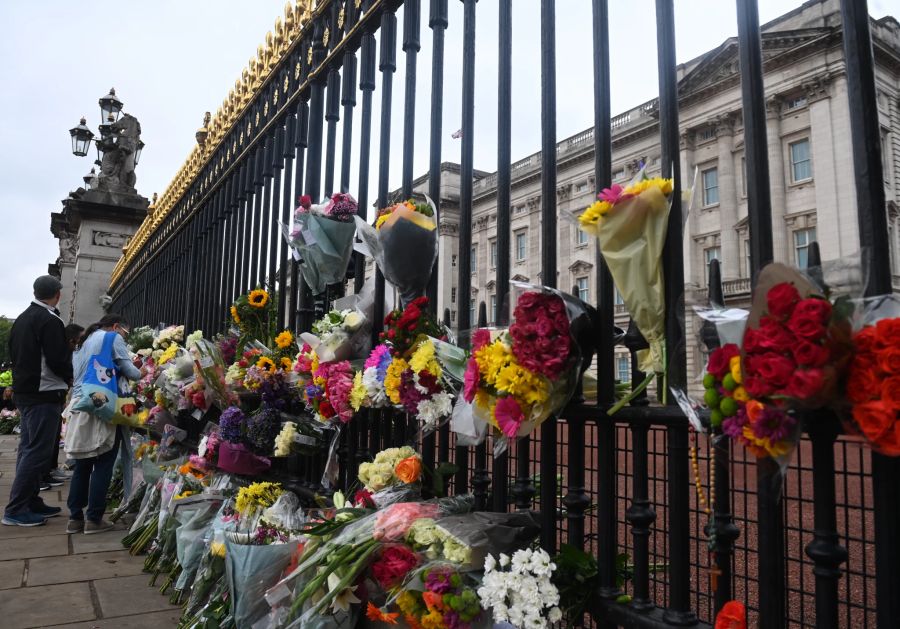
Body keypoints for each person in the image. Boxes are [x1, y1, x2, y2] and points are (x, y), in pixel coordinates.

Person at [2, 276, 72, 527]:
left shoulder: (22, 318)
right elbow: (57, 359)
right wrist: (70, 376)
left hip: (26, 390)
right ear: (58, 294)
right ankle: (17, 508)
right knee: (37, 451)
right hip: (43, 392)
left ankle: (29, 500)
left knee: (28, 448)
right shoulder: (50, 320)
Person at [64, 314, 144, 534]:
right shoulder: (111, 338)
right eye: (125, 333)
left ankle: (75, 518)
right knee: (103, 463)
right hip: (103, 406)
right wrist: (142, 366)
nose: (123, 337)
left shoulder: (82, 342)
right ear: (117, 327)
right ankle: (94, 519)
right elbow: (133, 373)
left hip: (80, 406)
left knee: (82, 463)